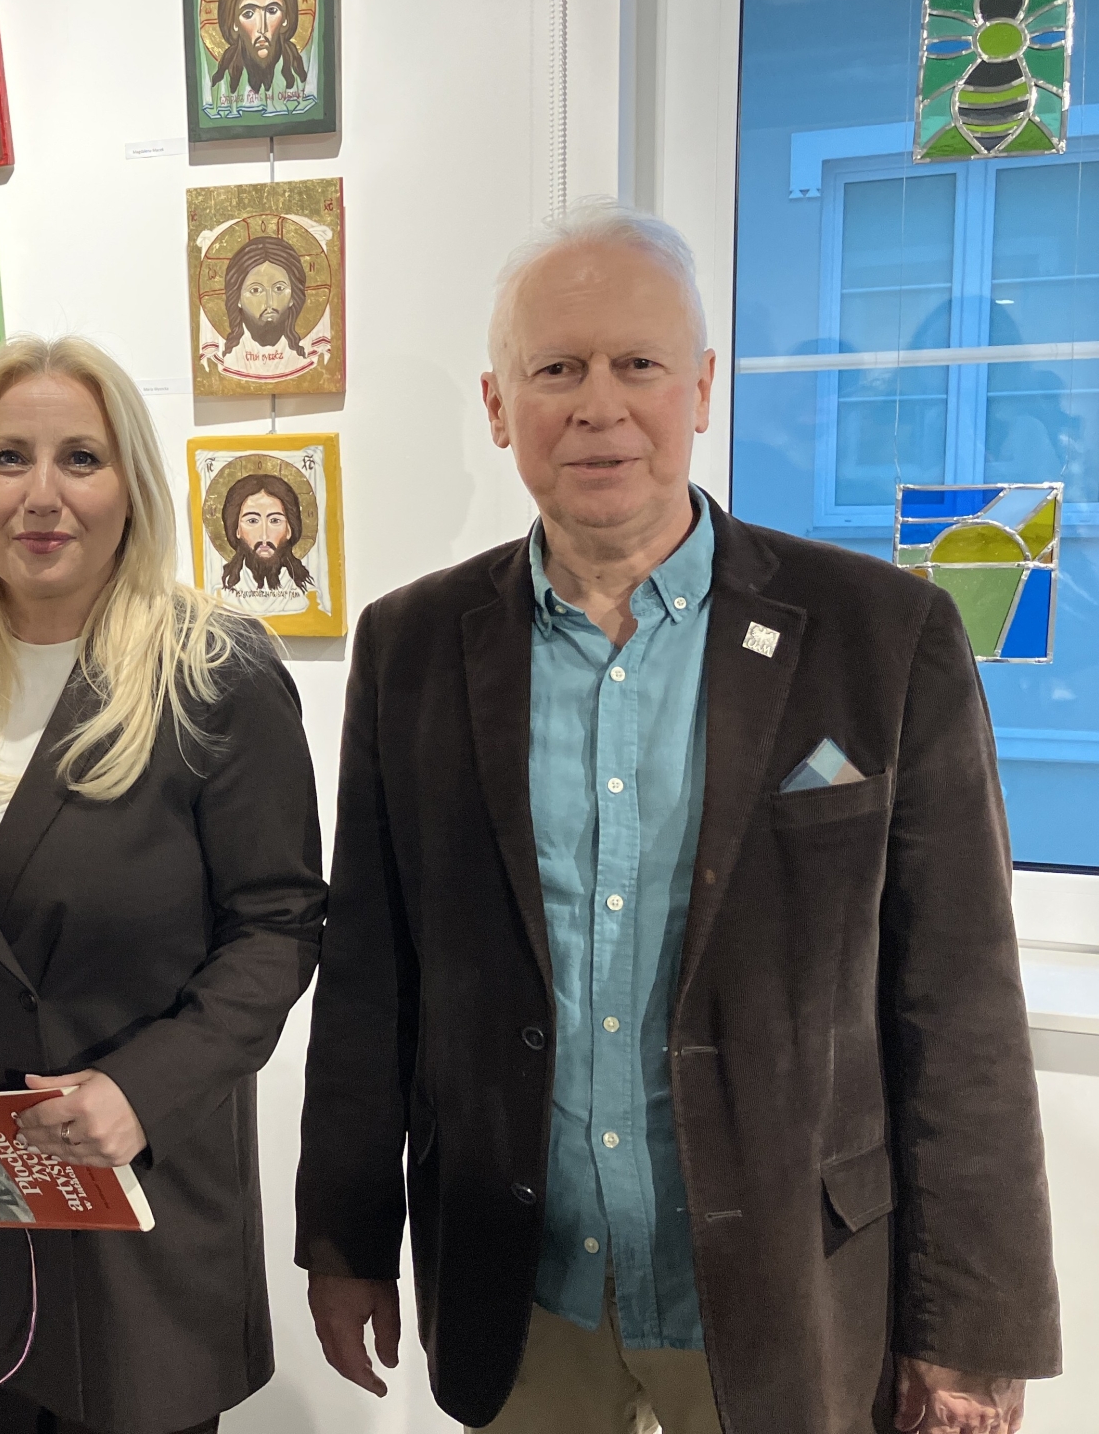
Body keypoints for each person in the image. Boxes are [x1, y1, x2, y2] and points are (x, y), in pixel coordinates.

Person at [295, 200, 1059, 1434]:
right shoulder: (411, 648)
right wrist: (344, 1238)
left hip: (784, 1292)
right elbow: (368, 979)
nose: (597, 406)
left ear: (698, 389)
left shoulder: (881, 639)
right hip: (519, 1290)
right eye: (555, 369)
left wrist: (970, 1327)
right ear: (498, 406)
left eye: (637, 364)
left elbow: (958, 999)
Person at [0, 334, 326, 1434]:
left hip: (142, 1200)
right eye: (7, 457)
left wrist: (142, 1091)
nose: (41, 495)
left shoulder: (217, 672)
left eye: (81, 459)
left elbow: (278, 924)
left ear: (131, 483)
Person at [208, 0, 307, 99]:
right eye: (248, 14)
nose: (262, 28)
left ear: (286, 19)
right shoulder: (221, 88)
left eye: (272, 10)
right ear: (234, 23)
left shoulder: (302, 83)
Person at [219, 471, 313, 599]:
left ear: (289, 529)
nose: (264, 536)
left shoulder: (308, 589)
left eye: (275, 520)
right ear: (237, 530)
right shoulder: (222, 590)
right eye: (252, 521)